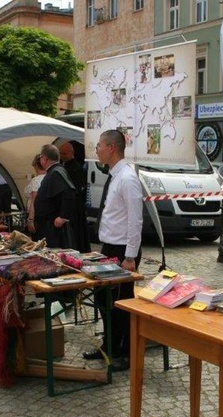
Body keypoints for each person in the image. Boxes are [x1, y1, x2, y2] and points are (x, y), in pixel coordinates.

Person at [83, 130, 143, 371]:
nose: (96, 150)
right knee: (103, 300)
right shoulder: (114, 175)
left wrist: (129, 256)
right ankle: (109, 346)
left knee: (120, 305)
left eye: (99, 146)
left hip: (123, 251)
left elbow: (135, 220)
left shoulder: (127, 178)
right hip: (110, 247)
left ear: (111, 148)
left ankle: (123, 355)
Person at [32, 144, 79, 248]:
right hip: (47, 224)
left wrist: (63, 217)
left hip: (52, 227)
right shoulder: (54, 171)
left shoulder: (56, 172)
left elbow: (69, 192)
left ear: (44, 159)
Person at [58, 140, 90, 252]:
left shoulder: (76, 168)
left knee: (76, 234)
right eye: (60, 153)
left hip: (75, 207)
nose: (62, 156)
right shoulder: (64, 167)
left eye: (64, 154)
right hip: (71, 206)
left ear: (72, 153)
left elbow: (77, 189)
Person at [24, 153, 46, 239]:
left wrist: (30, 219)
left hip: (36, 215)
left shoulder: (36, 180)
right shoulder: (49, 177)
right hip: (45, 214)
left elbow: (34, 201)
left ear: (36, 166)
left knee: (37, 239)